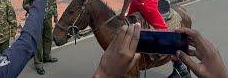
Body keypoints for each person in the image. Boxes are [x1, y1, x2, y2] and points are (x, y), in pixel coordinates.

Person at [93, 24, 228, 78]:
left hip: (146, 0)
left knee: (159, 27)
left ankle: (163, 48)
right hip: (137, 2)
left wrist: (104, 73)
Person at [22, 0, 58, 75]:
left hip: (48, 18)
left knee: (48, 38)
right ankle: (38, 64)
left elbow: (54, 3)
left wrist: (55, 16)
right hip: (37, 19)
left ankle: (47, 57)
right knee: (38, 42)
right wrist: (34, 8)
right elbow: (25, 4)